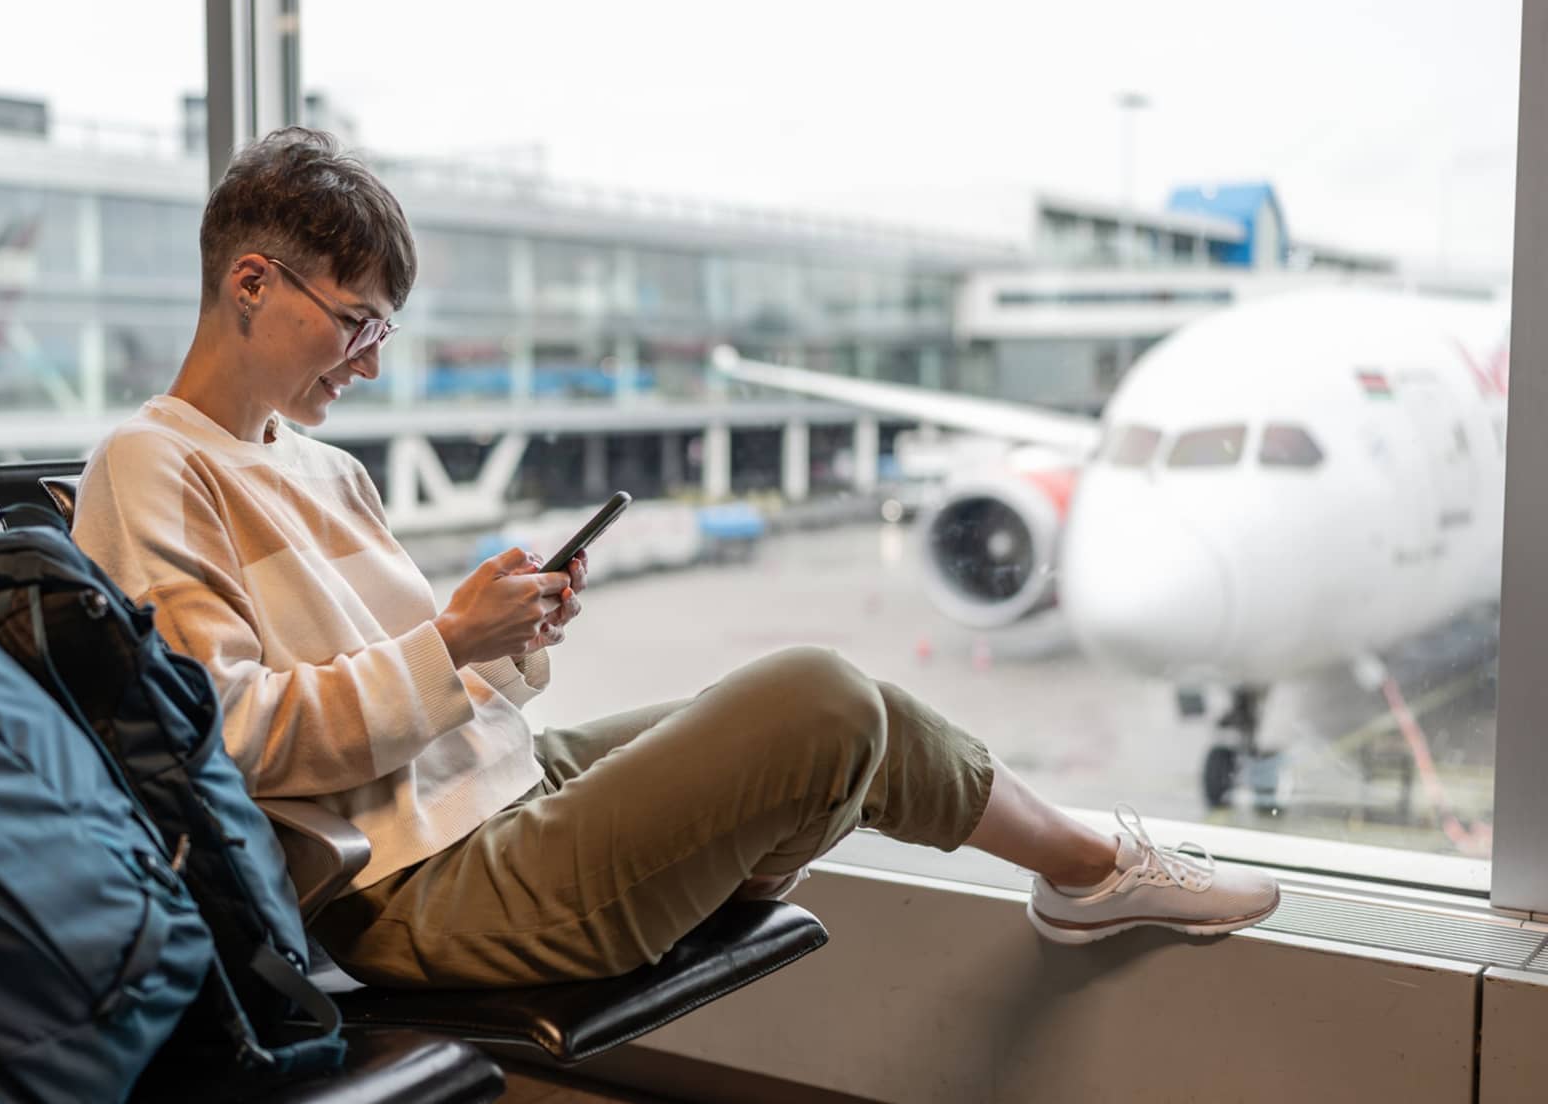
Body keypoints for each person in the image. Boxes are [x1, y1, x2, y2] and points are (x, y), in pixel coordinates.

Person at [71, 129, 1280, 989]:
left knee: (857, 703)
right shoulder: (147, 466)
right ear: (251, 282)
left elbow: (423, 692)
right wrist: (450, 642)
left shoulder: (325, 467)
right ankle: (1072, 870)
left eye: (379, 328)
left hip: (494, 789)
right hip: (408, 879)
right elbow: (225, 741)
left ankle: (1090, 873)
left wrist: (506, 642)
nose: (371, 361)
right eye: (355, 322)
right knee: (817, 701)